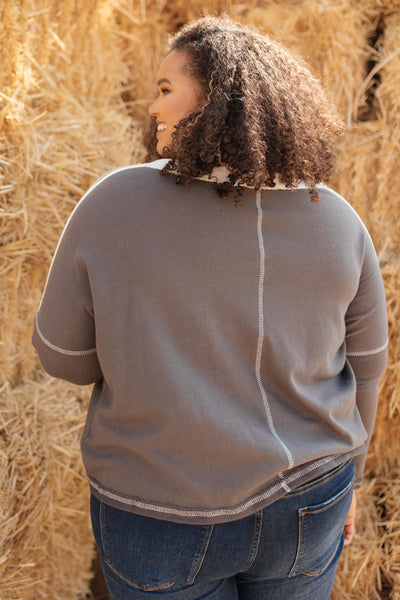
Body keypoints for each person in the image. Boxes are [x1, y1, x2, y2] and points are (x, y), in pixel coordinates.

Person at [32, 16, 388, 600]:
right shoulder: (339, 219)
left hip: (159, 510)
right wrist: (351, 480)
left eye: (167, 88)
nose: (152, 106)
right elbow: (368, 362)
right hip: (309, 503)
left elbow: (63, 357)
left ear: (218, 98)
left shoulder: (113, 202)